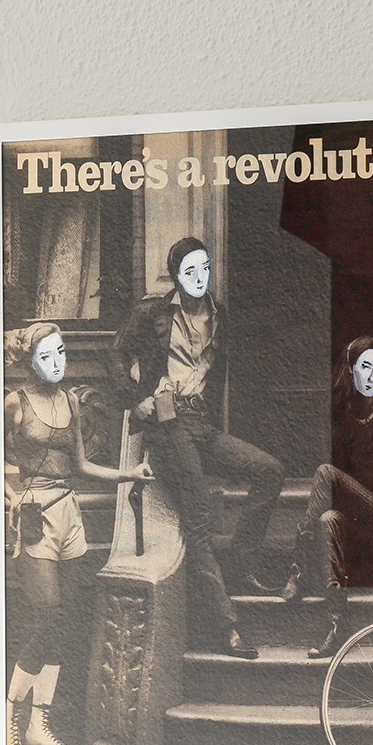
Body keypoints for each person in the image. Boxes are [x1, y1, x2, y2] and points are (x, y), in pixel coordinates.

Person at [120, 236, 284, 660]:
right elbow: (115, 357)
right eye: (189, 270)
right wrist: (137, 399)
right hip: (167, 424)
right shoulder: (153, 313)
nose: (199, 277)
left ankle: (243, 561)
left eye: (205, 268)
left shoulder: (219, 316)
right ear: (175, 276)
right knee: (199, 520)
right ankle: (226, 627)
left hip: (202, 424)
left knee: (269, 470)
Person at [4, 321, 147, 745]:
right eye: (46, 356)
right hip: (35, 515)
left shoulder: (69, 401)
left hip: (70, 514)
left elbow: (82, 465)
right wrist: (11, 497)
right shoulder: (14, 403)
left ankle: (39, 727)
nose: (57, 362)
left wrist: (128, 474)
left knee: (63, 621)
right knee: (46, 616)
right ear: (30, 362)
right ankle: (10, 722)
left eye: (61, 353)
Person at [283, 338, 373, 658]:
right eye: (366, 367)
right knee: (327, 519)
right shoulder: (342, 416)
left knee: (325, 473)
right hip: (356, 523)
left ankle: (299, 568)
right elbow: (342, 486)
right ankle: (337, 622)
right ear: (350, 369)